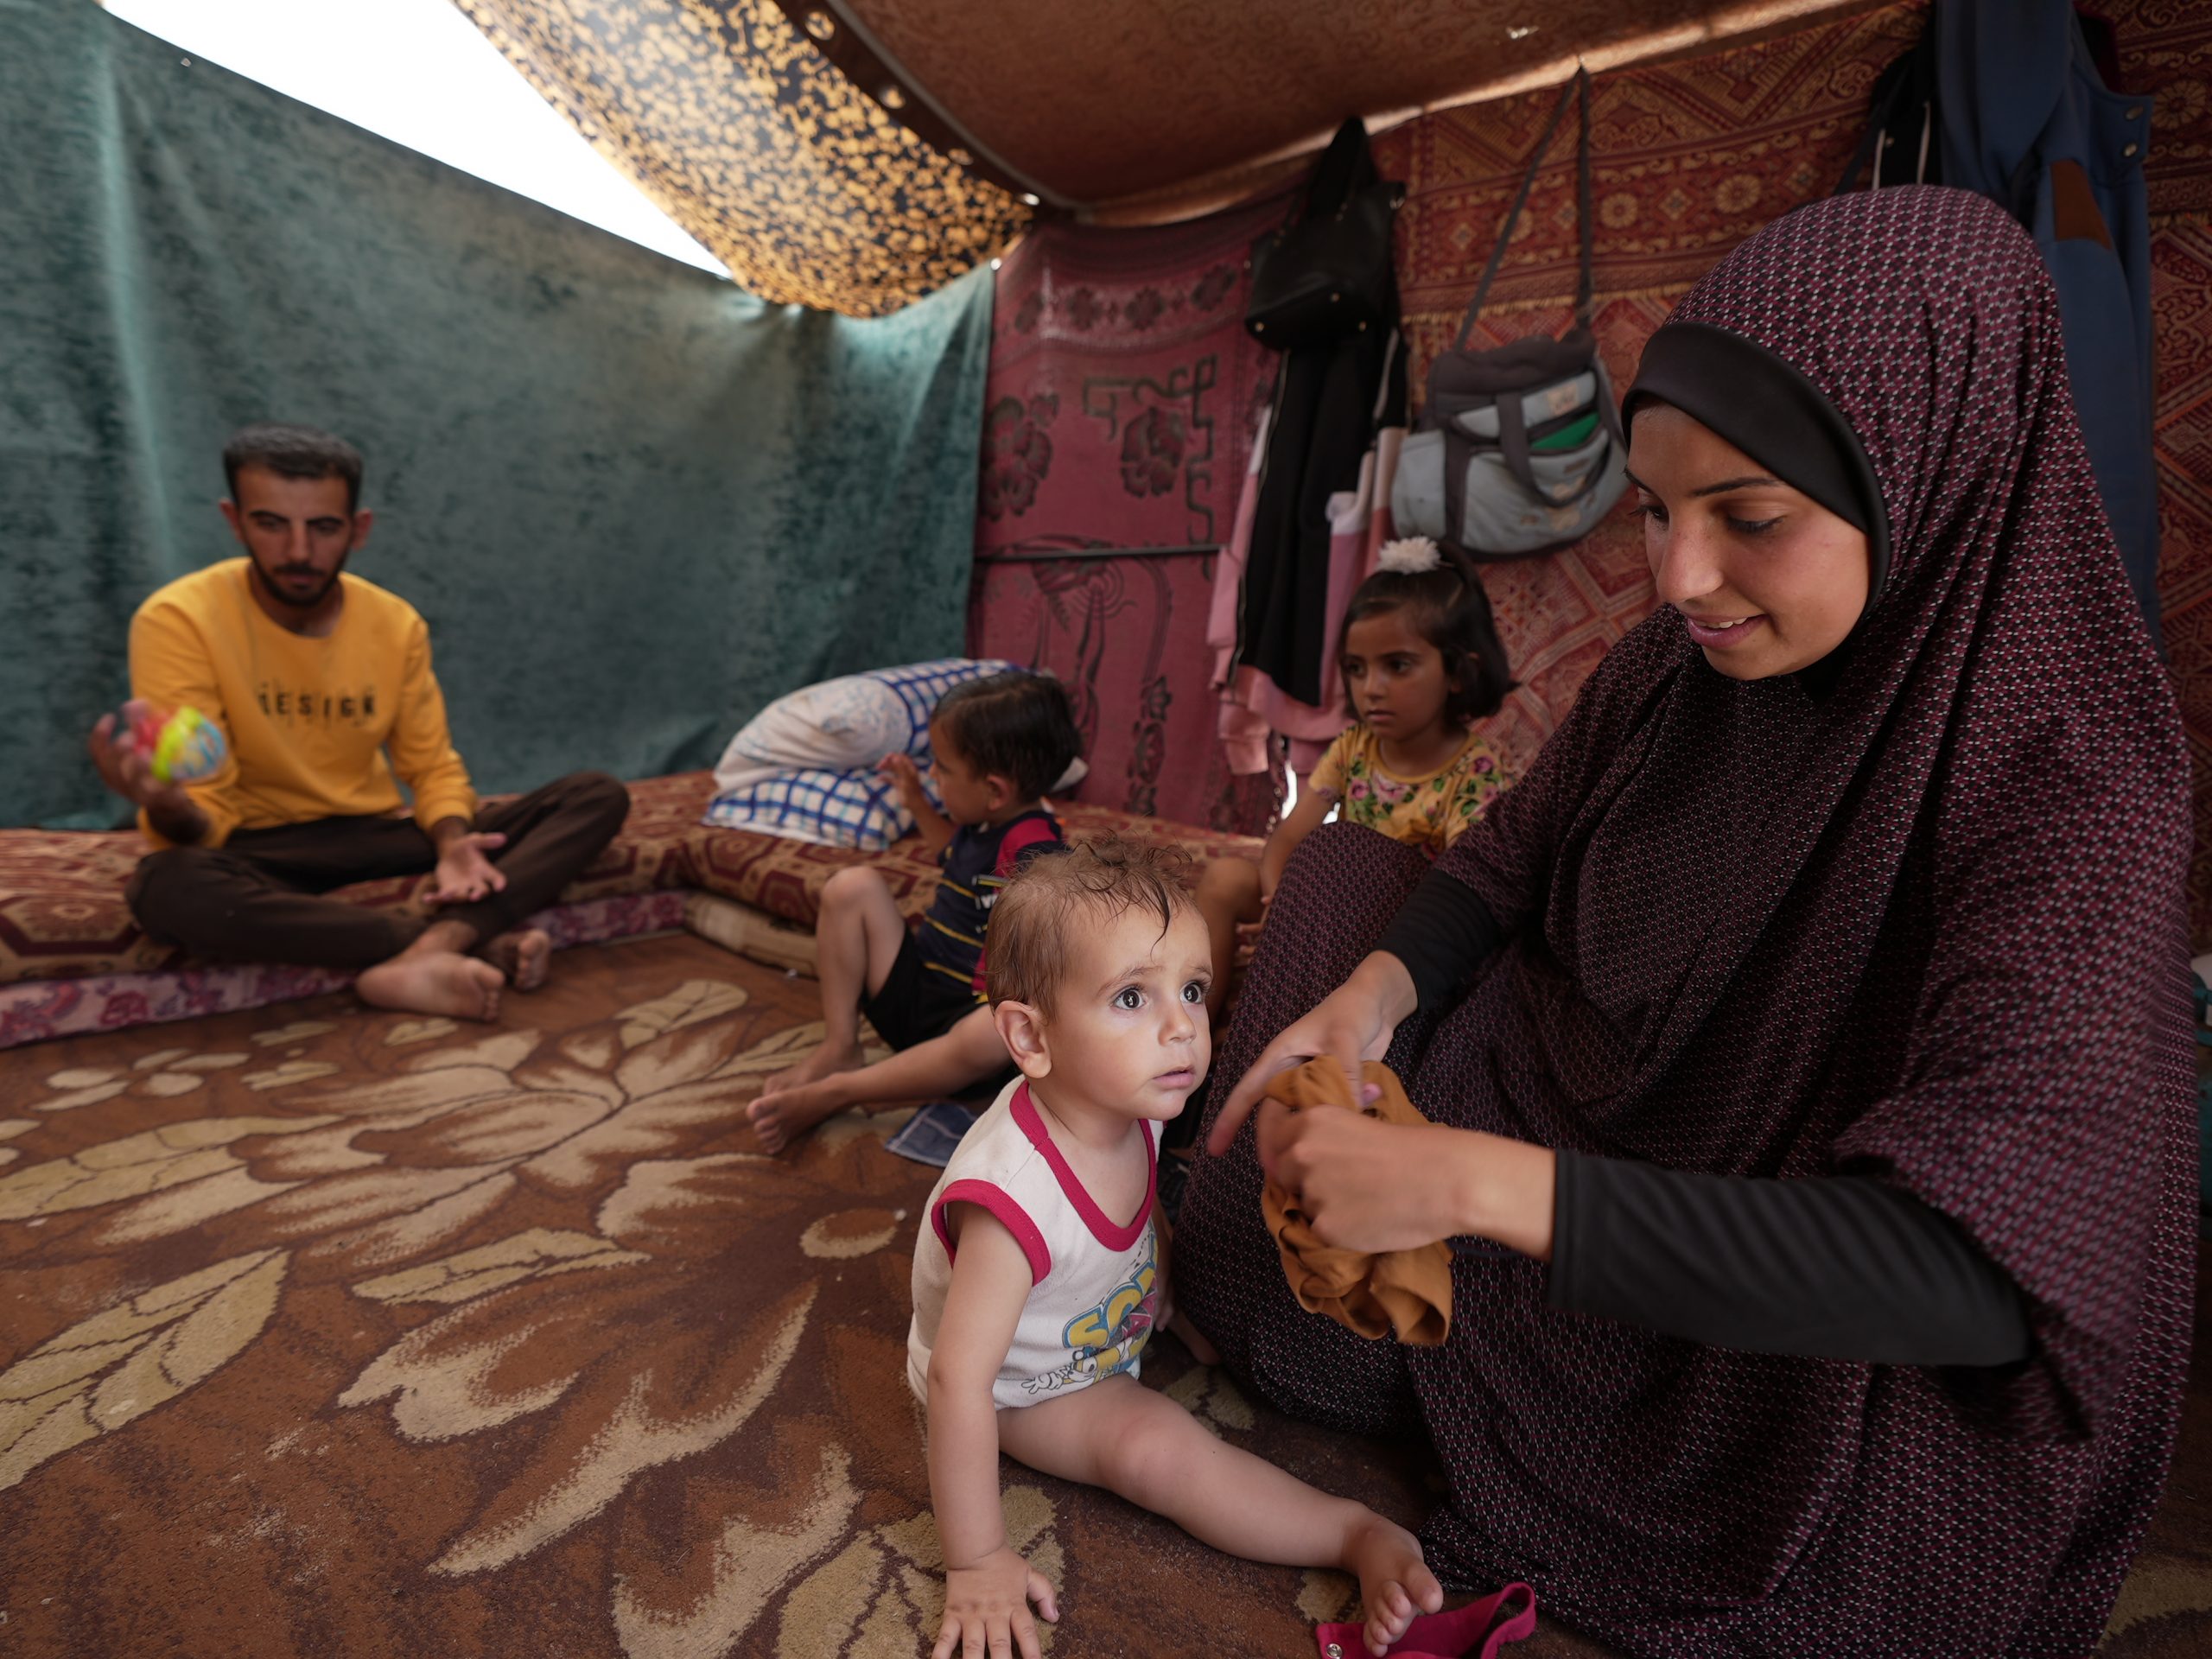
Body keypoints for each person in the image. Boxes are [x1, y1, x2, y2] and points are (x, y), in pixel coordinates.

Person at [1177, 187, 2193, 1656]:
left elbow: (1974, 1277)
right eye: (1656, 509)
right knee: (1332, 904)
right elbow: (1509, 860)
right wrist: (1373, 1002)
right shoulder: (1671, 675)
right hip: (1586, 1118)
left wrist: (1473, 1189)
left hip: (1783, 1315)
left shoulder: (2070, 788)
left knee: (1885, 1574)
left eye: (1752, 517)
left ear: (1933, 473)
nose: (1679, 578)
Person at [910, 839, 1443, 1659]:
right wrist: (977, 1559)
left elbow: (1144, 1198)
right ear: (1031, 1035)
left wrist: (1159, 1281)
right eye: (1131, 997)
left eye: (1192, 990)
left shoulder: (1133, 1099)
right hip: (1023, 1388)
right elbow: (958, 1380)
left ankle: (1361, 1536)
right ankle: (1351, 1534)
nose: (1181, 1028)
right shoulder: (1011, 1198)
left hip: (1091, 1321)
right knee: (1154, 1449)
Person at [86, 423, 629, 1022]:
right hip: (254, 845)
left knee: (594, 794)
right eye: (271, 524)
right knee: (167, 887)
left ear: (358, 529)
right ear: (235, 522)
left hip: (371, 833)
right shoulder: (178, 619)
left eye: (322, 527)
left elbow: (431, 765)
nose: (298, 552)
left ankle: (439, 945)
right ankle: (460, 943)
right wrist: (166, 805)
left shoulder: (395, 624)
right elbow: (202, 818)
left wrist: (453, 845)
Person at [747, 671, 1078, 1154]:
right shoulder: (985, 820)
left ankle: (839, 1092)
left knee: (995, 1029)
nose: (933, 776)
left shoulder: (1033, 847)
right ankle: (841, 1045)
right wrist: (917, 802)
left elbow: (1037, 940)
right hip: (919, 990)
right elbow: (957, 858)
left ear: (994, 789)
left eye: (942, 770)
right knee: (850, 886)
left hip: (966, 1028)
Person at [1194, 537, 1516, 1016]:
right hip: (1315, 907)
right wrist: (1282, 904)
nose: (1371, 689)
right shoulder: (1352, 748)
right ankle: (1191, 1031)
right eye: (1356, 669)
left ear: (1457, 672)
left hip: (1394, 932)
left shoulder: (1476, 775)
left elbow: (1457, 892)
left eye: (1397, 666)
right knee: (1223, 878)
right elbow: (1289, 837)